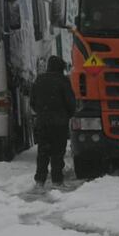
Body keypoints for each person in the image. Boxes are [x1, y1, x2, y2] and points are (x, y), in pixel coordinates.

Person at [31, 56, 76, 187]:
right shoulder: (63, 81)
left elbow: (32, 102)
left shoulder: (39, 80)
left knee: (43, 152)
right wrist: (67, 114)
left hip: (43, 122)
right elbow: (70, 103)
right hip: (59, 124)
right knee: (57, 152)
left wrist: (41, 113)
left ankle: (40, 180)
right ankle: (57, 180)